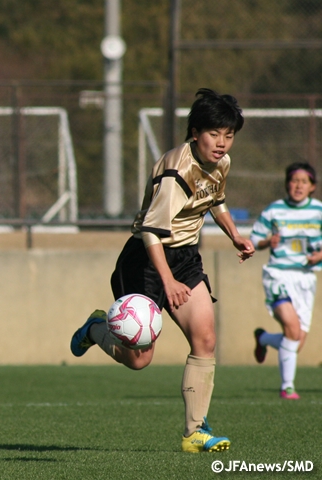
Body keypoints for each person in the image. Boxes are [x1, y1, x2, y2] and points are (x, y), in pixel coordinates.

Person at [70, 88, 254, 453]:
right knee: (139, 360)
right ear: (195, 132)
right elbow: (151, 232)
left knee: (205, 339)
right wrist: (167, 282)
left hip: (184, 257)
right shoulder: (175, 171)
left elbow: (215, 200)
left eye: (228, 135)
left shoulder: (221, 163)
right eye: (214, 134)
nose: (221, 143)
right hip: (146, 259)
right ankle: (95, 327)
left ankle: (194, 432)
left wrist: (235, 235)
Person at [250, 162, 322, 400]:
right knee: (292, 329)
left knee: (296, 341)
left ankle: (263, 338)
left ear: (312, 187)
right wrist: (265, 243)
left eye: (304, 181)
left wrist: (318, 256)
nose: (298, 185)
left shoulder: (318, 212)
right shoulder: (274, 211)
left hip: (305, 279)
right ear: (286, 184)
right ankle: (287, 387)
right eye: (294, 180)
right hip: (278, 274)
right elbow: (255, 240)